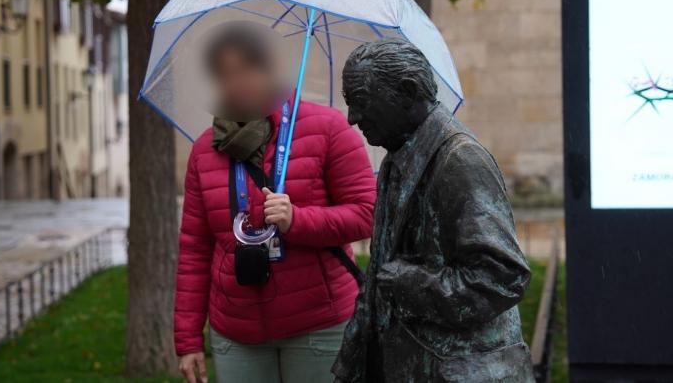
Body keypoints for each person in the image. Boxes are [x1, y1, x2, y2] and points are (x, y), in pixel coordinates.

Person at [174, 22, 376, 383]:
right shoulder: (205, 149)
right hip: (236, 331)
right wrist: (188, 338)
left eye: (245, 69)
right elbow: (195, 248)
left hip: (318, 324)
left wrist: (296, 220)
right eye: (224, 74)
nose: (236, 83)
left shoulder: (328, 129)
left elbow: (367, 214)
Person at [333, 39, 534, 383]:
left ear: (408, 92)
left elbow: (503, 278)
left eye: (362, 102)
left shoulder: (460, 161)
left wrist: (413, 284)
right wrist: (350, 367)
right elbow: (379, 277)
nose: (353, 118)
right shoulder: (398, 156)